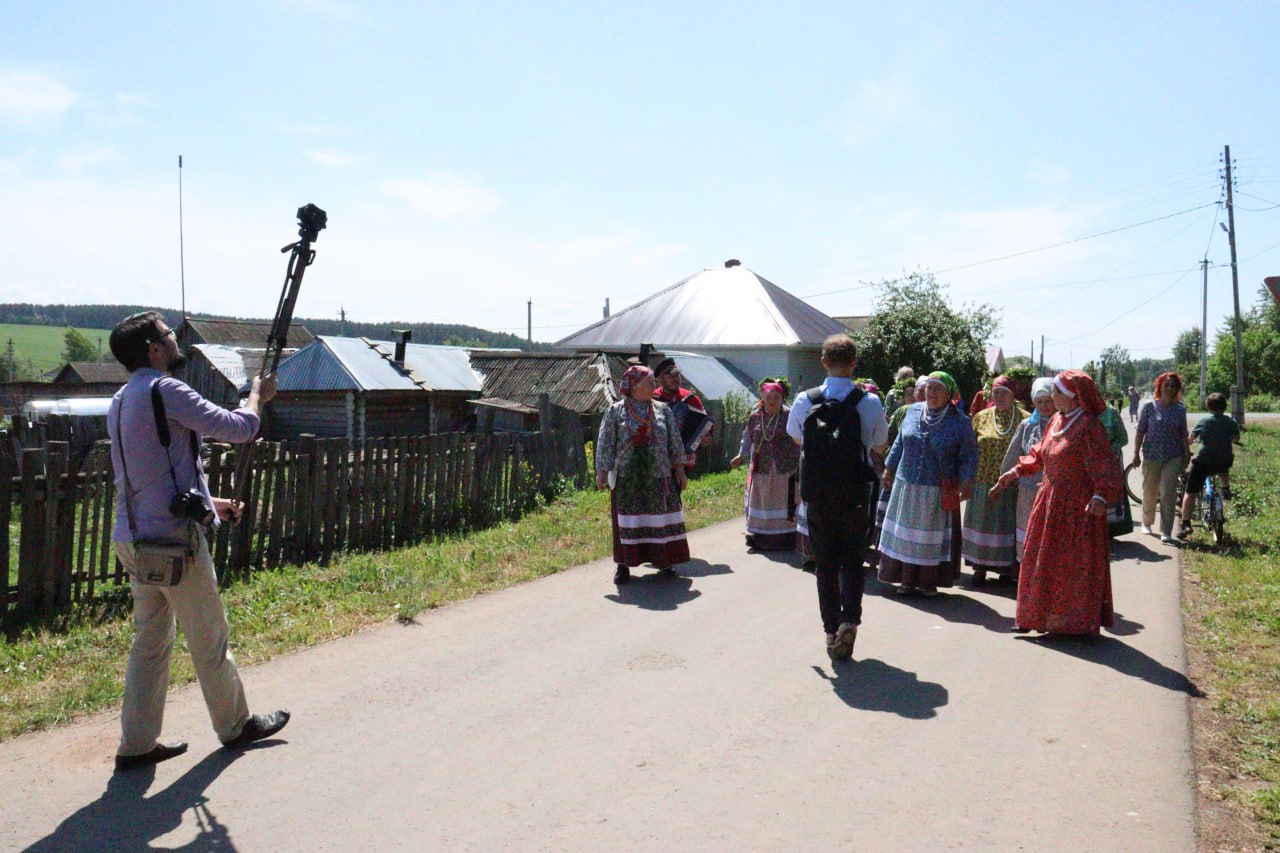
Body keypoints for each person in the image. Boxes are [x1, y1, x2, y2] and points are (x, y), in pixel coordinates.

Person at [107, 312, 290, 771]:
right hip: (173, 542)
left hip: (133, 538)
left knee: (149, 642)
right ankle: (236, 726)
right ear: (153, 348)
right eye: (169, 334)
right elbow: (239, 428)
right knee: (209, 636)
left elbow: (152, 474)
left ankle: (137, 744)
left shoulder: (120, 399)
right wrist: (255, 396)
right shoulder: (166, 390)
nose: (174, 339)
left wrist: (214, 502)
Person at [991, 370, 1123, 635]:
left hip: (1077, 507)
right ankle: (1035, 616)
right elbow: (1039, 454)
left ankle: (1069, 623)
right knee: (1039, 559)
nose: (1051, 397)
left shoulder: (1089, 426)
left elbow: (1106, 467)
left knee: (1070, 564)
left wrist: (1100, 495)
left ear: (1072, 397)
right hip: (1049, 501)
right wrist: (1014, 472)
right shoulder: (1056, 421)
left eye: (1056, 392)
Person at [786, 335, 888, 660]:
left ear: (823, 362)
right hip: (854, 494)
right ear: (855, 362)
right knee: (852, 563)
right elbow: (879, 442)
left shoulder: (805, 399)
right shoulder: (868, 402)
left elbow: (794, 434)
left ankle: (831, 630)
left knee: (825, 565)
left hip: (817, 495)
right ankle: (850, 619)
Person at [878, 371, 978, 596]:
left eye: (938, 389)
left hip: (936, 489)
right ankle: (905, 580)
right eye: (929, 388)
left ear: (949, 394)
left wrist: (967, 480)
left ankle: (927, 582)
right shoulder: (913, 412)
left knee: (928, 537)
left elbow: (969, 454)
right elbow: (898, 443)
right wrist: (889, 467)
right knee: (906, 534)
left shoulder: (959, 421)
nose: (931, 393)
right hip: (907, 485)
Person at [596, 364, 690, 585]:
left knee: (660, 521)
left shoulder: (661, 409)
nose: (654, 386)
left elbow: (674, 441)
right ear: (635, 386)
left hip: (659, 477)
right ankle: (623, 566)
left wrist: (680, 470)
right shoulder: (616, 411)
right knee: (628, 522)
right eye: (649, 383)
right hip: (628, 479)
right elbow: (605, 443)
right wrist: (602, 471)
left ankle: (664, 562)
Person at [962, 376, 1028, 584]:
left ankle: (1006, 570)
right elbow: (970, 448)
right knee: (982, 524)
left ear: (1012, 395)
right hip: (982, 481)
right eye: (996, 392)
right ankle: (979, 567)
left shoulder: (1024, 419)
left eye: (1004, 393)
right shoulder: (981, 417)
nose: (999, 396)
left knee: (1006, 526)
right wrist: (967, 478)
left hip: (1011, 485)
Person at [730, 379, 800, 551]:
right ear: (763, 397)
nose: (773, 401)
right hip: (763, 466)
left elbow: (800, 437)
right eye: (769, 397)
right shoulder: (755, 416)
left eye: (777, 397)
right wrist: (741, 454)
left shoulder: (789, 414)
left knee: (785, 500)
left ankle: (788, 538)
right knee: (763, 500)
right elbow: (747, 437)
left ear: (782, 398)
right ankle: (762, 536)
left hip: (785, 467)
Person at [999, 378, 1055, 562]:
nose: (1044, 406)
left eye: (1048, 401)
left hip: (1053, 490)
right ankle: (1026, 573)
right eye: (1040, 402)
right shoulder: (1027, 425)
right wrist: (1004, 478)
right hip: (1028, 489)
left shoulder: (1063, 424)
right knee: (1027, 530)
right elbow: (1013, 453)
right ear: (1034, 403)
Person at [1134, 371, 1190, 543]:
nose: (1169, 387)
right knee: (1150, 491)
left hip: (1173, 457)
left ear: (1176, 389)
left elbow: (1183, 435)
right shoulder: (1149, 407)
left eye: (1173, 385)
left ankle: (1166, 530)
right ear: (1160, 386)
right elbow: (1140, 431)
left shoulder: (1180, 410)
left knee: (1168, 493)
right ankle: (1147, 522)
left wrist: (1186, 453)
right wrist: (1135, 453)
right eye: (1166, 384)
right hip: (1151, 455)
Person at [1179, 392, 1240, 538]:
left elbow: (1191, 439)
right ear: (1225, 407)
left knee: (1190, 491)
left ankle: (1186, 523)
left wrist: (1185, 444)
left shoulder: (1203, 420)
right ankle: (1226, 488)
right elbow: (1236, 437)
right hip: (1223, 460)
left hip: (1204, 460)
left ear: (1208, 406)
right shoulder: (1230, 421)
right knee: (1223, 466)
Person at [651, 357, 709, 471]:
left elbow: (706, 426)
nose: (676, 379)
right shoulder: (652, 398)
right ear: (661, 379)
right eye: (671, 376)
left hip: (684, 461)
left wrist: (703, 438)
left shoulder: (690, 399)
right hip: (655, 459)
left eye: (677, 375)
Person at [1097, 397, 1134, 538]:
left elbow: (1123, 438)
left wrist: (1108, 450)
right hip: (1091, 463)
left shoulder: (1111, 413)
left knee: (1112, 494)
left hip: (1112, 461)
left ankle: (1112, 530)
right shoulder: (1083, 413)